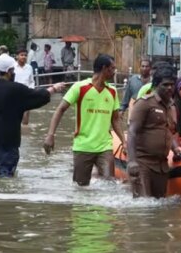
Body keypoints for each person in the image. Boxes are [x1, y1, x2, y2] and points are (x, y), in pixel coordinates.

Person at [0, 54, 65, 177]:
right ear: (9, 72)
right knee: (6, 178)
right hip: (8, 140)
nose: (14, 73)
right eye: (13, 70)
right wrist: (54, 89)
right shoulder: (16, 90)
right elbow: (37, 96)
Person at [44, 54, 126, 187]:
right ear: (104, 68)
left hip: (105, 146)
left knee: (109, 185)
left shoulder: (112, 91)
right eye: (112, 68)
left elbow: (115, 119)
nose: (114, 72)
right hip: (83, 145)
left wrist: (124, 142)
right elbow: (60, 110)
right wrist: (50, 135)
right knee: (80, 187)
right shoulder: (79, 87)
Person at [127, 66, 181, 198]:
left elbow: (167, 131)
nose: (170, 88)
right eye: (165, 85)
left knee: (158, 208)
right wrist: (132, 161)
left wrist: (176, 149)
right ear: (156, 85)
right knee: (144, 207)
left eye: (172, 85)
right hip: (143, 164)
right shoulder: (144, 103)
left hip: (162, 166)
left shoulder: (171, 106)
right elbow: (132, 132)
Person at [14, 49, 35, 125]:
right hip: (15, 93)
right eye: (22, 55)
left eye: (25, 55)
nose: (24, 57)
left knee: (26, 116)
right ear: (17, 56)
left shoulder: (29, 67)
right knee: (15, 115)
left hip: (26, 93)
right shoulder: (13, 67)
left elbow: (31, 81)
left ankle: (25, 133)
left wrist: (31, 90)